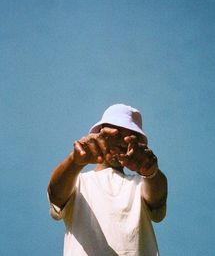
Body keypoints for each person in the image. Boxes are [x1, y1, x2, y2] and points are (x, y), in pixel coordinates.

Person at [47, 104, 168, 256]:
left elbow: (157, 198)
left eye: (129, 137)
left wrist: (150, 171)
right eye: (116, 134)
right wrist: (74, 161)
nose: (122, 142)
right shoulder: (78, 181)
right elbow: (56, 194)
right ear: (99, 135)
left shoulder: (141, 183)